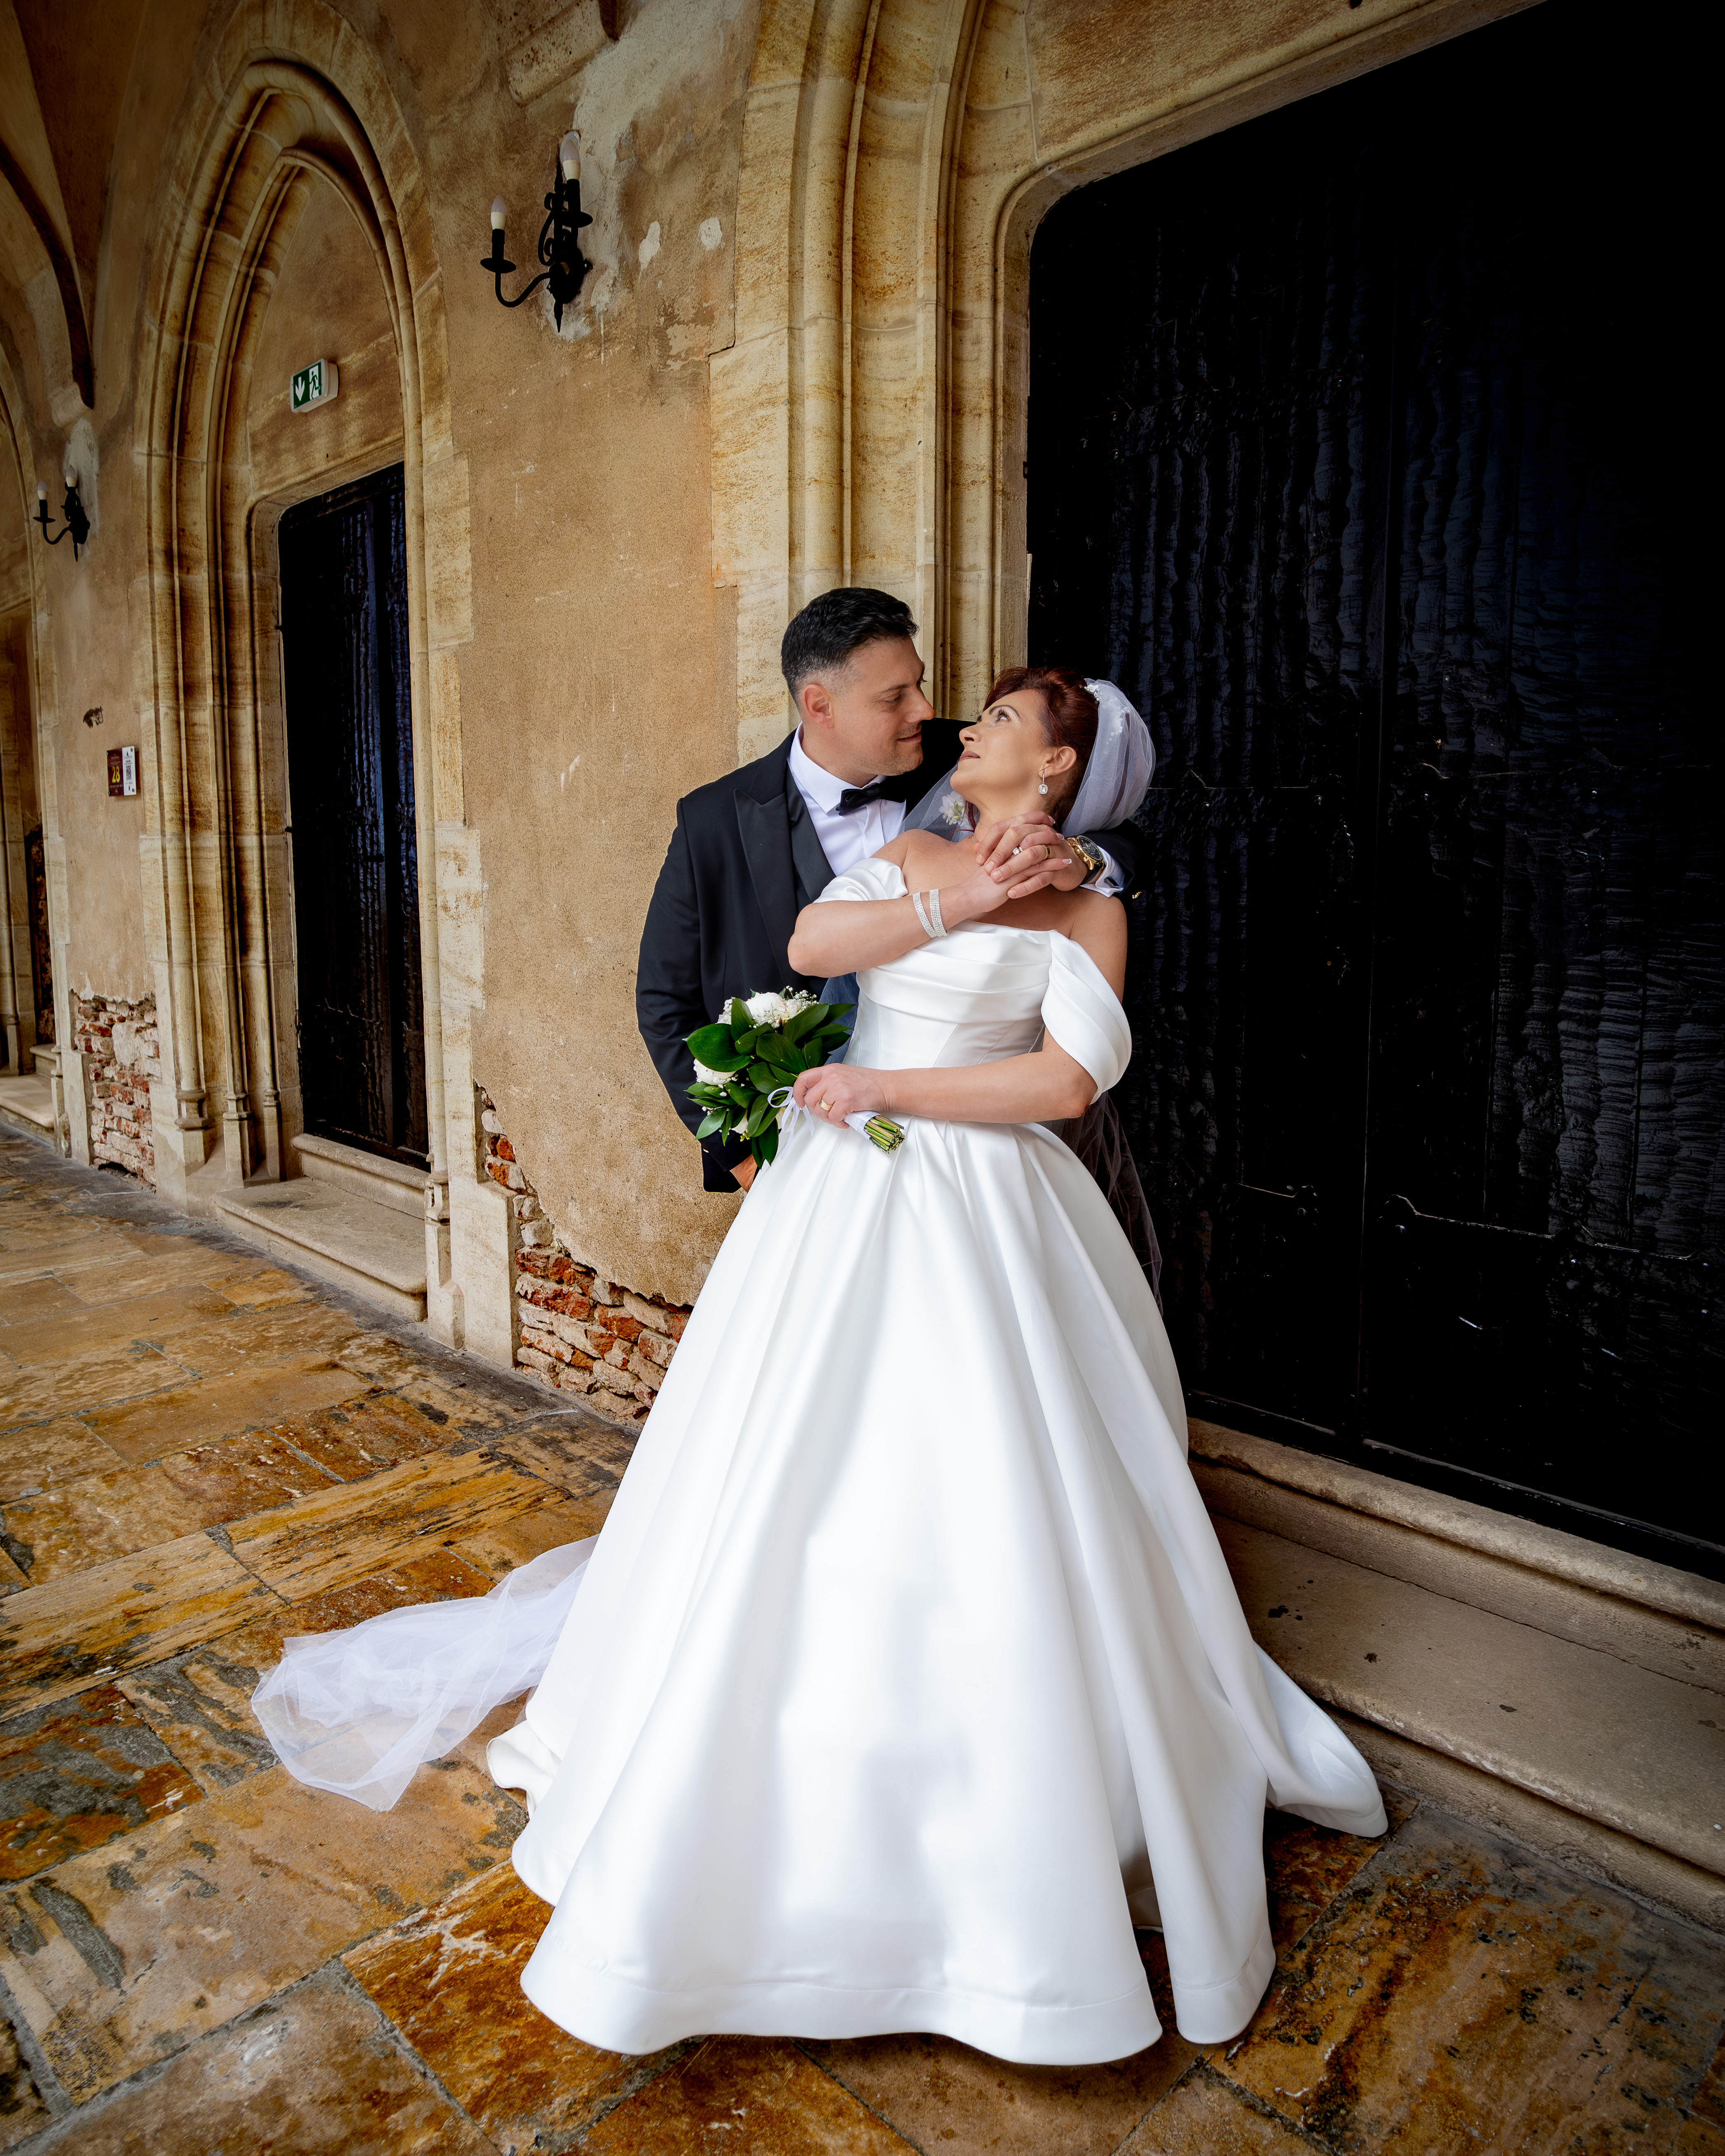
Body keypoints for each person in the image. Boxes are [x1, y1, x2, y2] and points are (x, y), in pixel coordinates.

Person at [254, 664, 1387, 2067]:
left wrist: (884, 1083)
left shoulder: (1090, 904)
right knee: (782, 1449)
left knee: (981, 1476)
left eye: (1002, 721)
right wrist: (956, 901)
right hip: (837, 1196)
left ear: (1054, 768)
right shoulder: (912, 848)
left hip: (981, 1199)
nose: (967, 727)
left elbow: (1063, 1083)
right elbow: (809, 942)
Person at [635, 587, 1144, 1193]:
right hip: (800, 1143)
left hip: (973, 1156)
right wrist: (744, 1159)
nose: (926, 710)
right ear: (820, 705)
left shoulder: (965, 757)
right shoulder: (714, 820)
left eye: (919, 683)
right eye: (895, 696)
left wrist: (1083, 857)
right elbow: (664, 1001)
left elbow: (1112, 810)